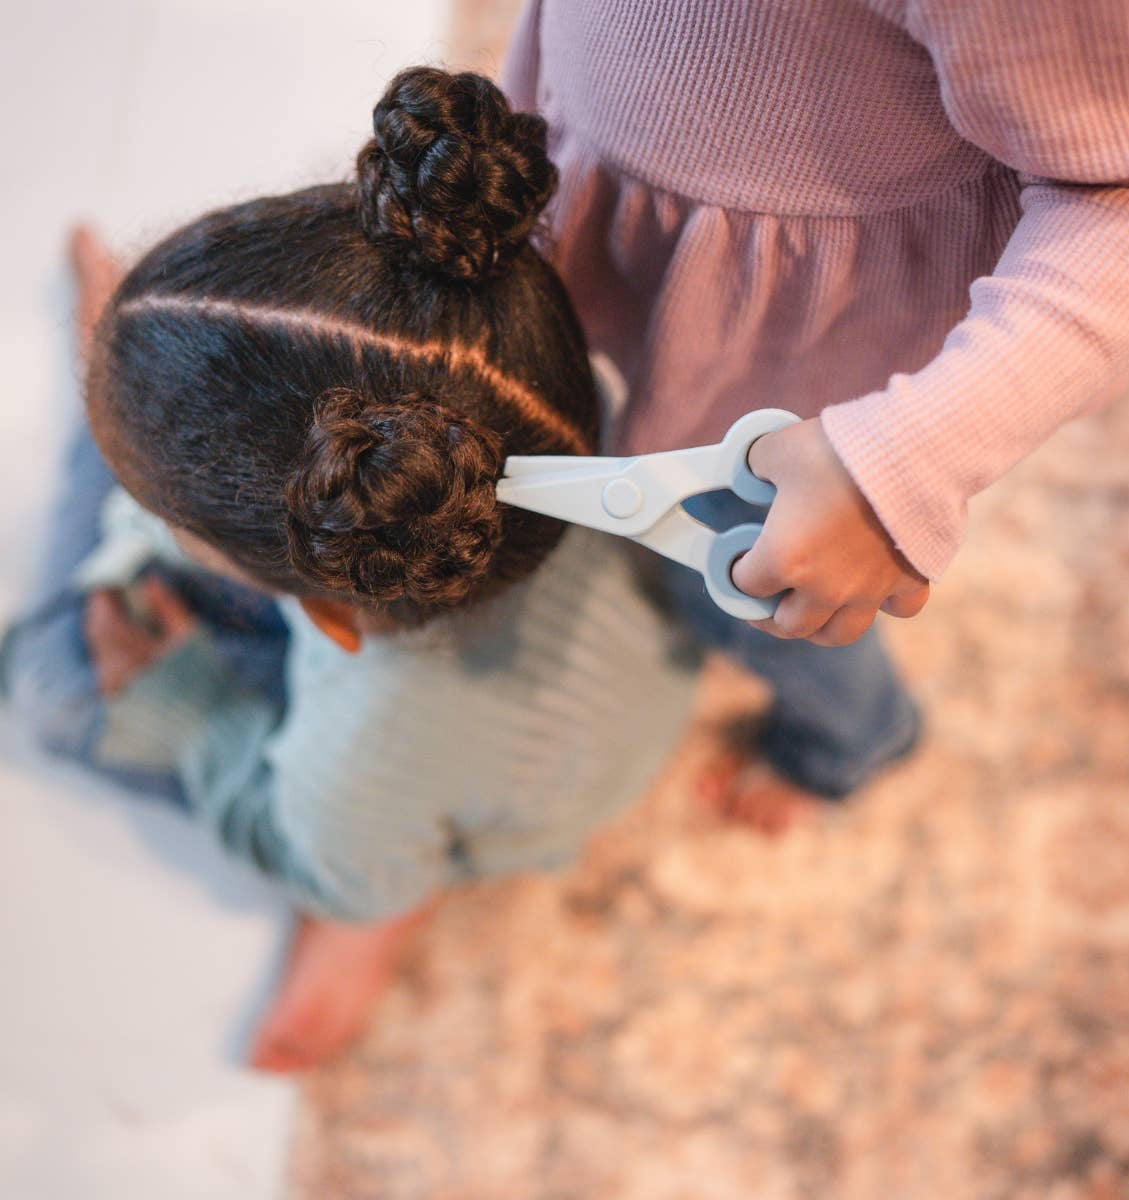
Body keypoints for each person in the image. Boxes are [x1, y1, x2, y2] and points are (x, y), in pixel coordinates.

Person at [1, 68, 701, 1071]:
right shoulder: (524, 400)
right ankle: (132, 415)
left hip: (415, 788)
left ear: (328, 613)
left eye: (171, 513)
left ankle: (378, 912)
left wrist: (197, 712)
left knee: (49, 682)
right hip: (545, 667)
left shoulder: (347, 779)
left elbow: (311, 827)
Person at [500, 0, 1129, 810]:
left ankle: (853, 743)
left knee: (757, 580)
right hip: (613, 224)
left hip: (805, 371)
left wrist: (898, 467)